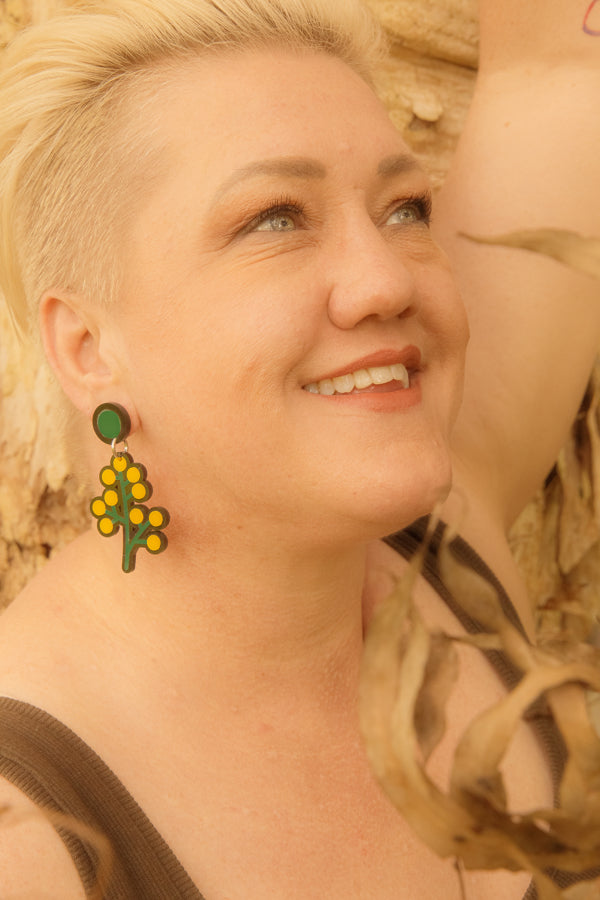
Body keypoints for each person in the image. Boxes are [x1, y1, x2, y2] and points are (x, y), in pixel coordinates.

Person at [0, 2, 597, 899]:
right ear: (88, 347)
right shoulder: (29, 832)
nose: (386, 280)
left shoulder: (445, 551)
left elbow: (561, 67)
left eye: (404, 208)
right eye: (275, 219)